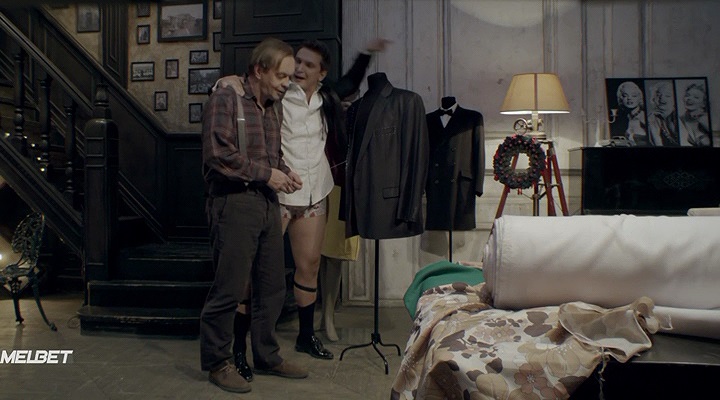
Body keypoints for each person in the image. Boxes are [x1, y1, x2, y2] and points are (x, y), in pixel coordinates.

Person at [215, 38, 390, 370]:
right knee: (252, 273)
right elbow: (250, 83)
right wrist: (231, 79)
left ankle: (306, 336)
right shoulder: (278, 92)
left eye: (309, 65)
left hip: (315, 190)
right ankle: (239, 347)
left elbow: (350, 81)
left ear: (321, 73)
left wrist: (367, 53)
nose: (298, 68)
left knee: (309, 265)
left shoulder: (327, 97)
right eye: (298, 61)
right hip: (277, 191)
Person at [200, 37, 306, 395]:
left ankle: (266, 355)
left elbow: (270, 156)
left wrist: (284, 172)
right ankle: (218, 362)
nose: (286, 83)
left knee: (272, 286)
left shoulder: (272, 107)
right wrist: (267, 174)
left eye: (290, 77)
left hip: (266, 202)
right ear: (259, 70)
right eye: (281, 76)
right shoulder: (226, 97)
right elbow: (218, 155)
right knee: (229, 288)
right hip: (233, 202)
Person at [614, 81, 647, 146]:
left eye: (634, 95)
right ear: (621, 98)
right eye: (625, 95)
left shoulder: (643, 116)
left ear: (639, 98)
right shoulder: (627, 117)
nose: (629, 98)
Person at [647, 81, 679, 146]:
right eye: (658, 95)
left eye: (668, 95)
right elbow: (657, 143)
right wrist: (651, 124)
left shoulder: (678, 116)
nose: (662, 98)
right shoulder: (653, 118)